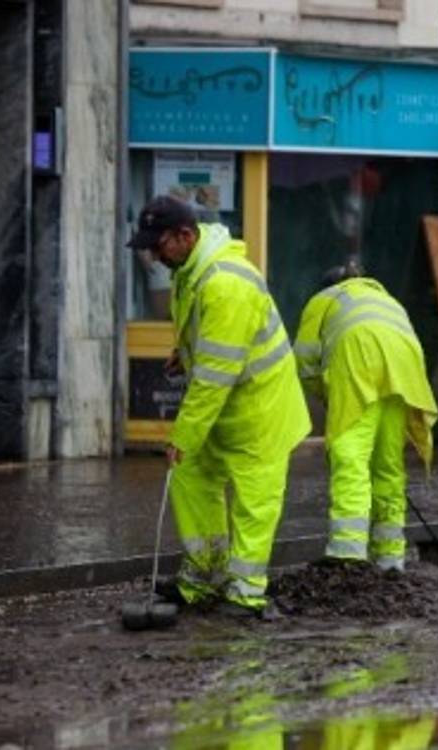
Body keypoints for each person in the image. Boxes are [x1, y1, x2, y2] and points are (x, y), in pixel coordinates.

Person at [127, 196, 311, 620]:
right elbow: (209, 345)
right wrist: (183, 351)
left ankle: (245, 595)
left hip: (259, 413)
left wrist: (182, 436)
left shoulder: (226, 285)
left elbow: (214, 378)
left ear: (186, 236)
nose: (154, 256)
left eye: (159, 246)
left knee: (253, 501)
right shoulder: (190, 270)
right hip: (229, 405)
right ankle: (204, 577)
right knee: (191, 477)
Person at [293, 263, 438, 572]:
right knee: (388, 467)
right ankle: (389, 559)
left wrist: (330, 397)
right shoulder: (386, 300)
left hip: (358, 364)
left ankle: (348, 553)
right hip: (402, 374)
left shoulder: (324, 300)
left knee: (351, 460)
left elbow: (305, 362)